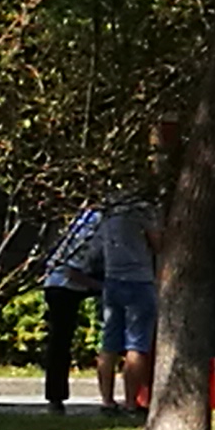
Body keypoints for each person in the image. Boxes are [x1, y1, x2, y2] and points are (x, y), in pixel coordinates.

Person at [95, 152, 163, 413]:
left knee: (109, 343)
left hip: (112, 278)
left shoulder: (107, 208)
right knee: (137, 343)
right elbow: (158, 243)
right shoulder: (141, 208)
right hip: (139, 279)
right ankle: (131, 401)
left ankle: (106, 400)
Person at [37, 201, 103, 417]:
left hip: (61, 281)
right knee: (60, 340)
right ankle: (55, 396)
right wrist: (102, 286)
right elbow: (69, 270)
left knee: (59, 341)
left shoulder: (81, 219)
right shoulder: (97, 225)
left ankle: (55, 396)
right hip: (65, 284)